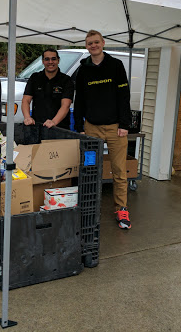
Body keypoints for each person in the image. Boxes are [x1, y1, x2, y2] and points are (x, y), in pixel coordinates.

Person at [74, 30, 132, 229]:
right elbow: (79, 100)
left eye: (96, 42)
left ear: (103, 43)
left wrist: (125, 124)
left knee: (119, 171)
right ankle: (89, 207)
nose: (93, 45)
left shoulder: (116, 65)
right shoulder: (83, 70)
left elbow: (124, 96)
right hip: (91, 127)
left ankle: (121, 209)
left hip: (116, 128)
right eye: (90, 43)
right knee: (90, 170)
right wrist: (79, 127)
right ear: (86, 46)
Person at [21, 49, 74, 129]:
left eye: (53, 59)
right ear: (43, 61)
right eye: (47, 59)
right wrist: (27, 117)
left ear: (58, 60)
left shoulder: (66, 80)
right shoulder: (35, 78)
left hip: (60, 129)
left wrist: (54, 122)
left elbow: (65, 105)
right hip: (37, 127)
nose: (50, 62)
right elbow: (26, 100)